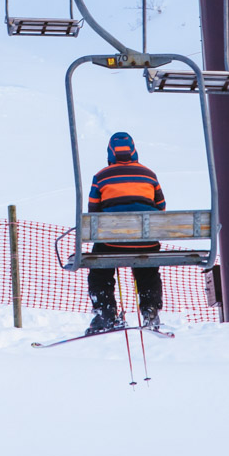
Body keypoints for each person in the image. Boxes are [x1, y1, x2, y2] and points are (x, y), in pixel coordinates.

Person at [85, 132, 165, 334]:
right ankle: (150, 309)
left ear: (110, 153)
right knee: (147, 269)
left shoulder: (100, 177)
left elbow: (93, 215)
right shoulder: (149, 175)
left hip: (112, 242)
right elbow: (161, 208)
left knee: (100, 272)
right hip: (146, 240)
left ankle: (106, 312)